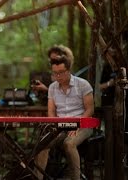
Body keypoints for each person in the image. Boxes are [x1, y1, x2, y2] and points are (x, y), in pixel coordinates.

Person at [34, 46, 94, 180]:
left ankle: (75, 178)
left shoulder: (83, 84)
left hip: (83, 123)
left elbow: (90, 109)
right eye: (55, 73)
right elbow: (51, 112)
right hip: (60, 126)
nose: (58, 76)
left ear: (69, 70)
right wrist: (54, 127)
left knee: (69, 144)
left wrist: (77, 125)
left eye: (61, 72)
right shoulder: (52, 87)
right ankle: (37, 177)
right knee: (42, 144)